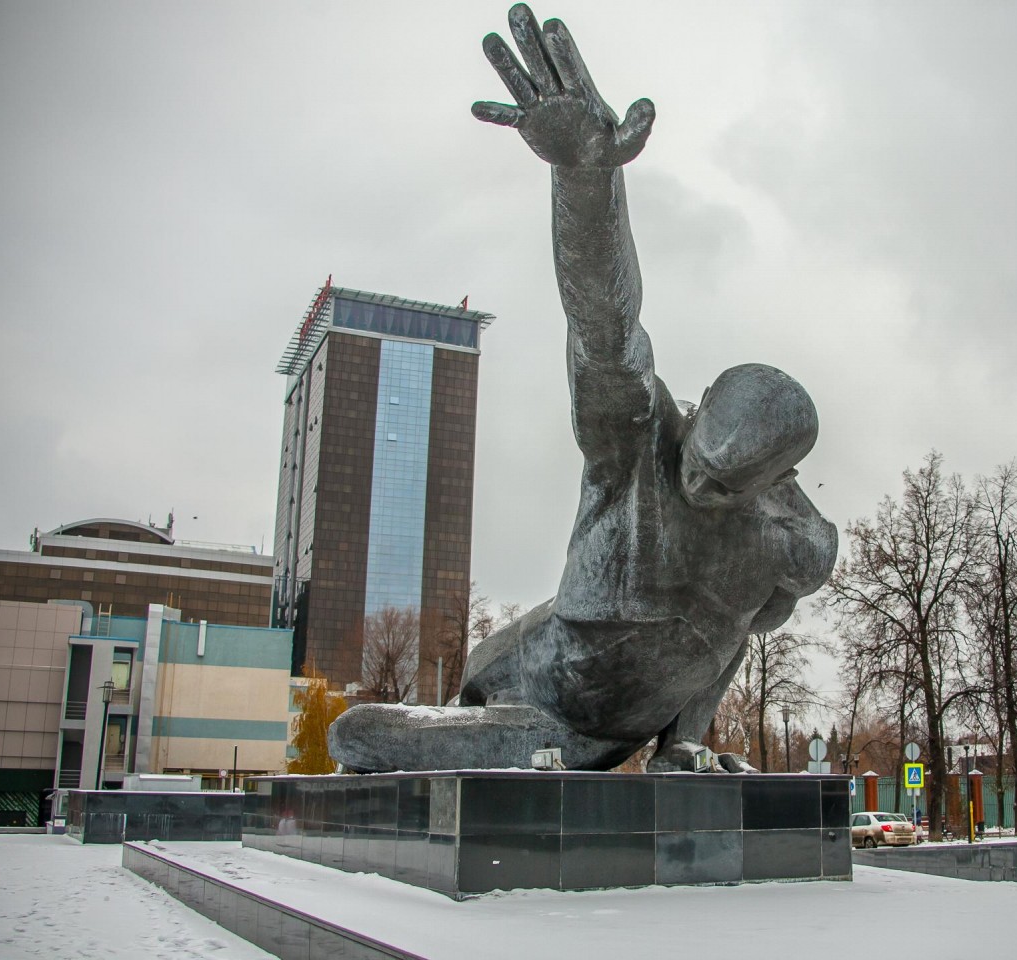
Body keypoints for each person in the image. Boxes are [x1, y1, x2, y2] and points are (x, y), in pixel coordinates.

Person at [328, 4, 836, 774]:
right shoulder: (638, 440)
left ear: (774, 483)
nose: (695, 479)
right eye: (697, 458)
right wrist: (585, 177)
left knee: (725, 625)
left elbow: (743, 624)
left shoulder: (786, 543)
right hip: (537, 694)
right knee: (360, 736)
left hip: (621, 734)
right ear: (692, 414)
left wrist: (684, 739)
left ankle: (685, 750)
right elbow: (604, 322)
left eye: (722, 482)